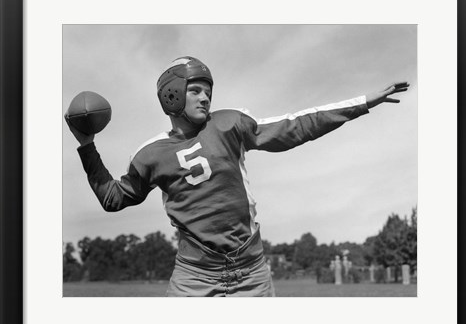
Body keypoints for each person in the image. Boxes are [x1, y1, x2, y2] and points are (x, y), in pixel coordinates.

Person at [65, 56, 409, 297]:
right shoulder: (149, 155)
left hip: (251, 272)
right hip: (194, 278)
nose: (206, 96)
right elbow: (112, 198)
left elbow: (295, 126)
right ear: (172, 94)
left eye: (208, 89)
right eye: (196, 89)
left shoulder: (229, 123)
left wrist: (363, 103)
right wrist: (87, 145)